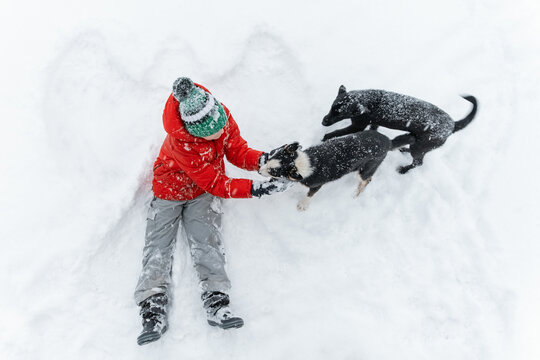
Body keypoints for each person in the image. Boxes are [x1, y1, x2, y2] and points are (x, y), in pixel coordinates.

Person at [134, 77, 290, 346]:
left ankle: (216, 300)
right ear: (194, 132)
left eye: (221, 127)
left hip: (200, 194)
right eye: (211, 133)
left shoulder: (220, 115)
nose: (219, 134)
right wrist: (255, 189)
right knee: (158, 245)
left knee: (206, 240)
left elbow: (237, 151)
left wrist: (264, 161)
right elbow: (217, 184)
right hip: (169, 191)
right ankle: (152, 307)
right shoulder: (182, 143)